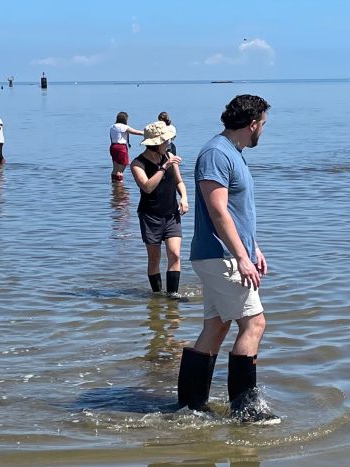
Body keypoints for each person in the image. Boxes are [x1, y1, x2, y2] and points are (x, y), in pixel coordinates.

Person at [179, 94, 280, 425]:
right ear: (252, 124)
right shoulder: (216, 154)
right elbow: (217, 210)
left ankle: (192, 407)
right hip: (220, 256)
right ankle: (246, 411)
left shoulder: (232, 154)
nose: (263, 131)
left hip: (225, 254)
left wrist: (254, 248)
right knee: (255, 323)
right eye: (263, 124)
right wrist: (241, 257)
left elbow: (237, 213)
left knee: (217, 325)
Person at [132, 121, 187, 297]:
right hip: (150, 216)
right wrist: (164, 168)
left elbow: (179, 181)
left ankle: (172, 295)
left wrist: (184, 198)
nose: (168, 144)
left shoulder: (169, 156)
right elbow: (147, 187)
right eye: (165, 141)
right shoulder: (137, 164)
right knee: (154, 258)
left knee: (175, 254)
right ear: (155, 144)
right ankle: (157, 294)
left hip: (171, 214)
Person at [109, 112, 144, 182]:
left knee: (115, 169)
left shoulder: (112, 126)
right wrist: (148, 133)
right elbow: (137, 132)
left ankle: (114, 185)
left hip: (113, 146)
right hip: (121, 147)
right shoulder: (124, 127)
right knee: (120, 170)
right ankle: (120, 187)